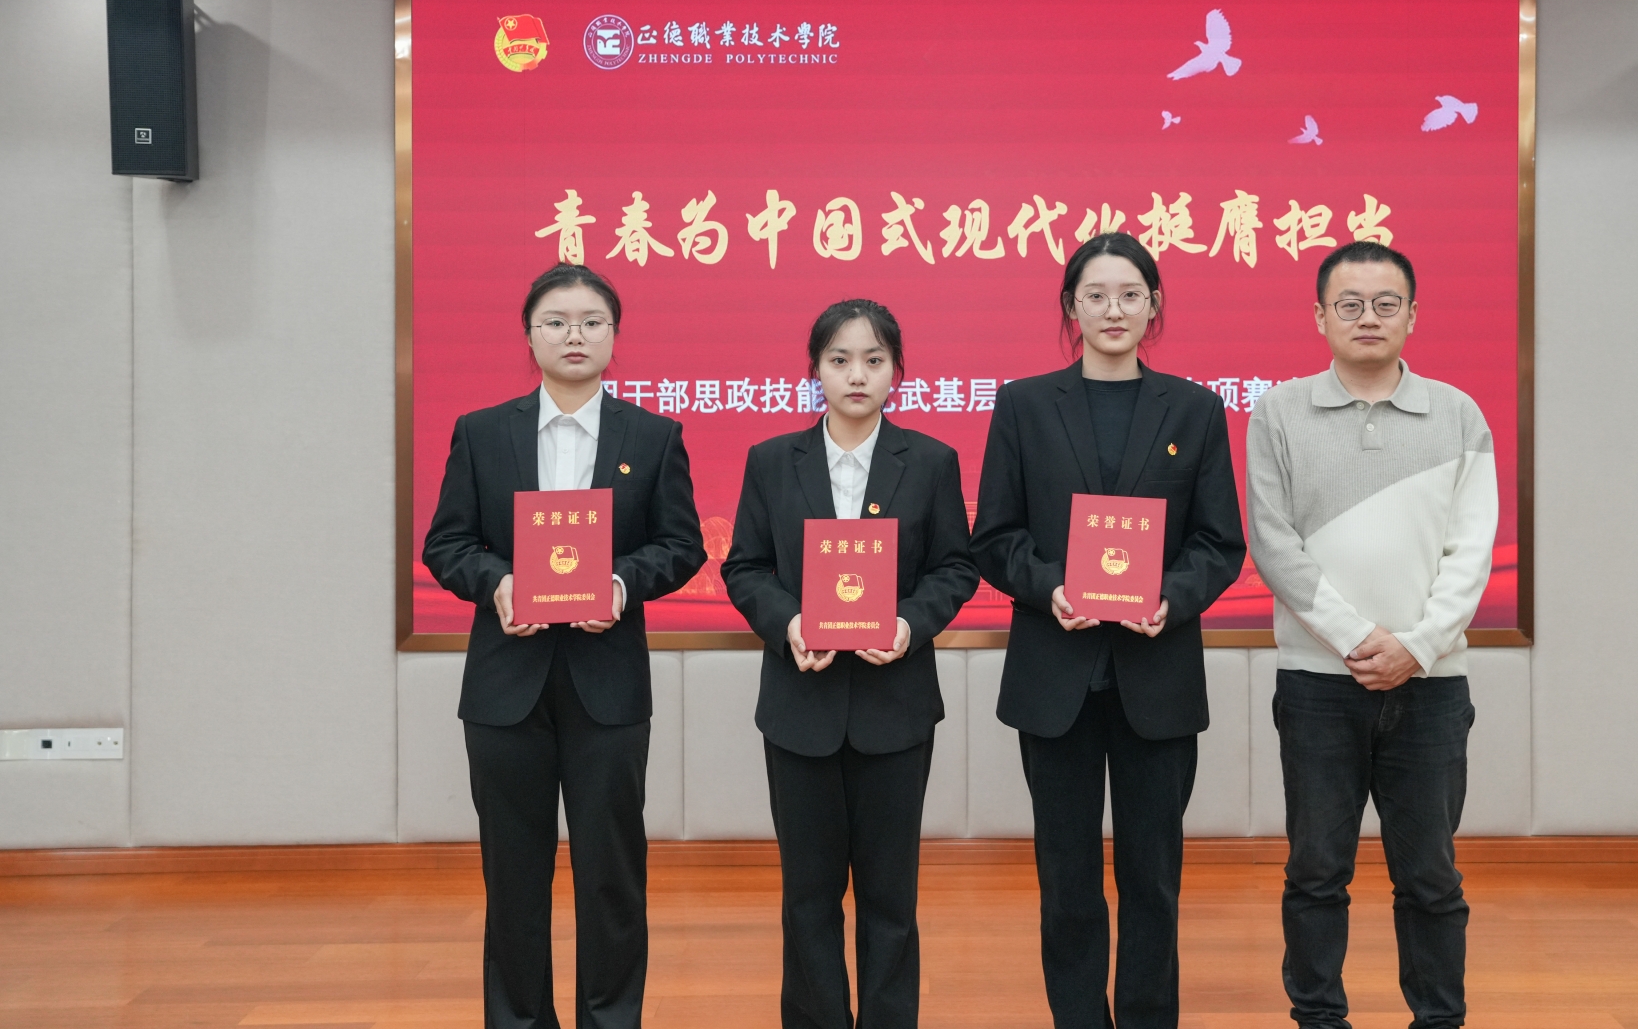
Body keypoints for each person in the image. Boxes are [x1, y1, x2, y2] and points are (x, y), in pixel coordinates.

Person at [971, 234, 1247, 1029]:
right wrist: (1051, 587)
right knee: (1066, 879)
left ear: (1154, 306)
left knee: (1153, 878)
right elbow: (995, 536)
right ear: (1072, 307)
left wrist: (1171, 597)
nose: (1113, 309)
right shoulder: (1024, 405)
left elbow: (1219, 543)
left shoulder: (1193, 409)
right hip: (1054, 676)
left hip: (1156, 678)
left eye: (1130, 294)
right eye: (1095, 295)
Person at [423, 263, 707, 1029]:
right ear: (530, 336)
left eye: (591, 321)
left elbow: (681, 545)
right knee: (513, 877)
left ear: (614, 335)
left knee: (611, 875)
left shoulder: (653, 436)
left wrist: (619, 584)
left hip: (607, 686)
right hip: (505, 687)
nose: (573, 334)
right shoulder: (483, 433)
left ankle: (609, 1019)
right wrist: (497, 583)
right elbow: (447, 544)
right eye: (556, 321)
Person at [1244, 239, 1497, 1029]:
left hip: (1431, 686)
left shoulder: (1458, 414)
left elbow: (1472, 550)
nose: (1368, 318)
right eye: (1348, 304)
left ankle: (1438, 1018)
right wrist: (1359, 639)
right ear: (1319, 316)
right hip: (1318, 685)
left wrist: (1416, 647)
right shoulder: (1279, 412)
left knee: (1431, 877)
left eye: (1386, 304)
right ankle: (1319, 1018)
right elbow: (1274, 545)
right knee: (1317, 872)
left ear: (1413, 315)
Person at [722, 298, 980, 1029]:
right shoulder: (772, 461)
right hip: (799, 710)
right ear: (816, 370)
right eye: (839, 360)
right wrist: (789, 623)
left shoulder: (929, 462)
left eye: (873, 359)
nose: (857, 375)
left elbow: (955, 568)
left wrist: (907, 624)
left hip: (895, 709)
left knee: (890, 899)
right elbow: (745, 567)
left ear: (896, 370)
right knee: (808, 897)